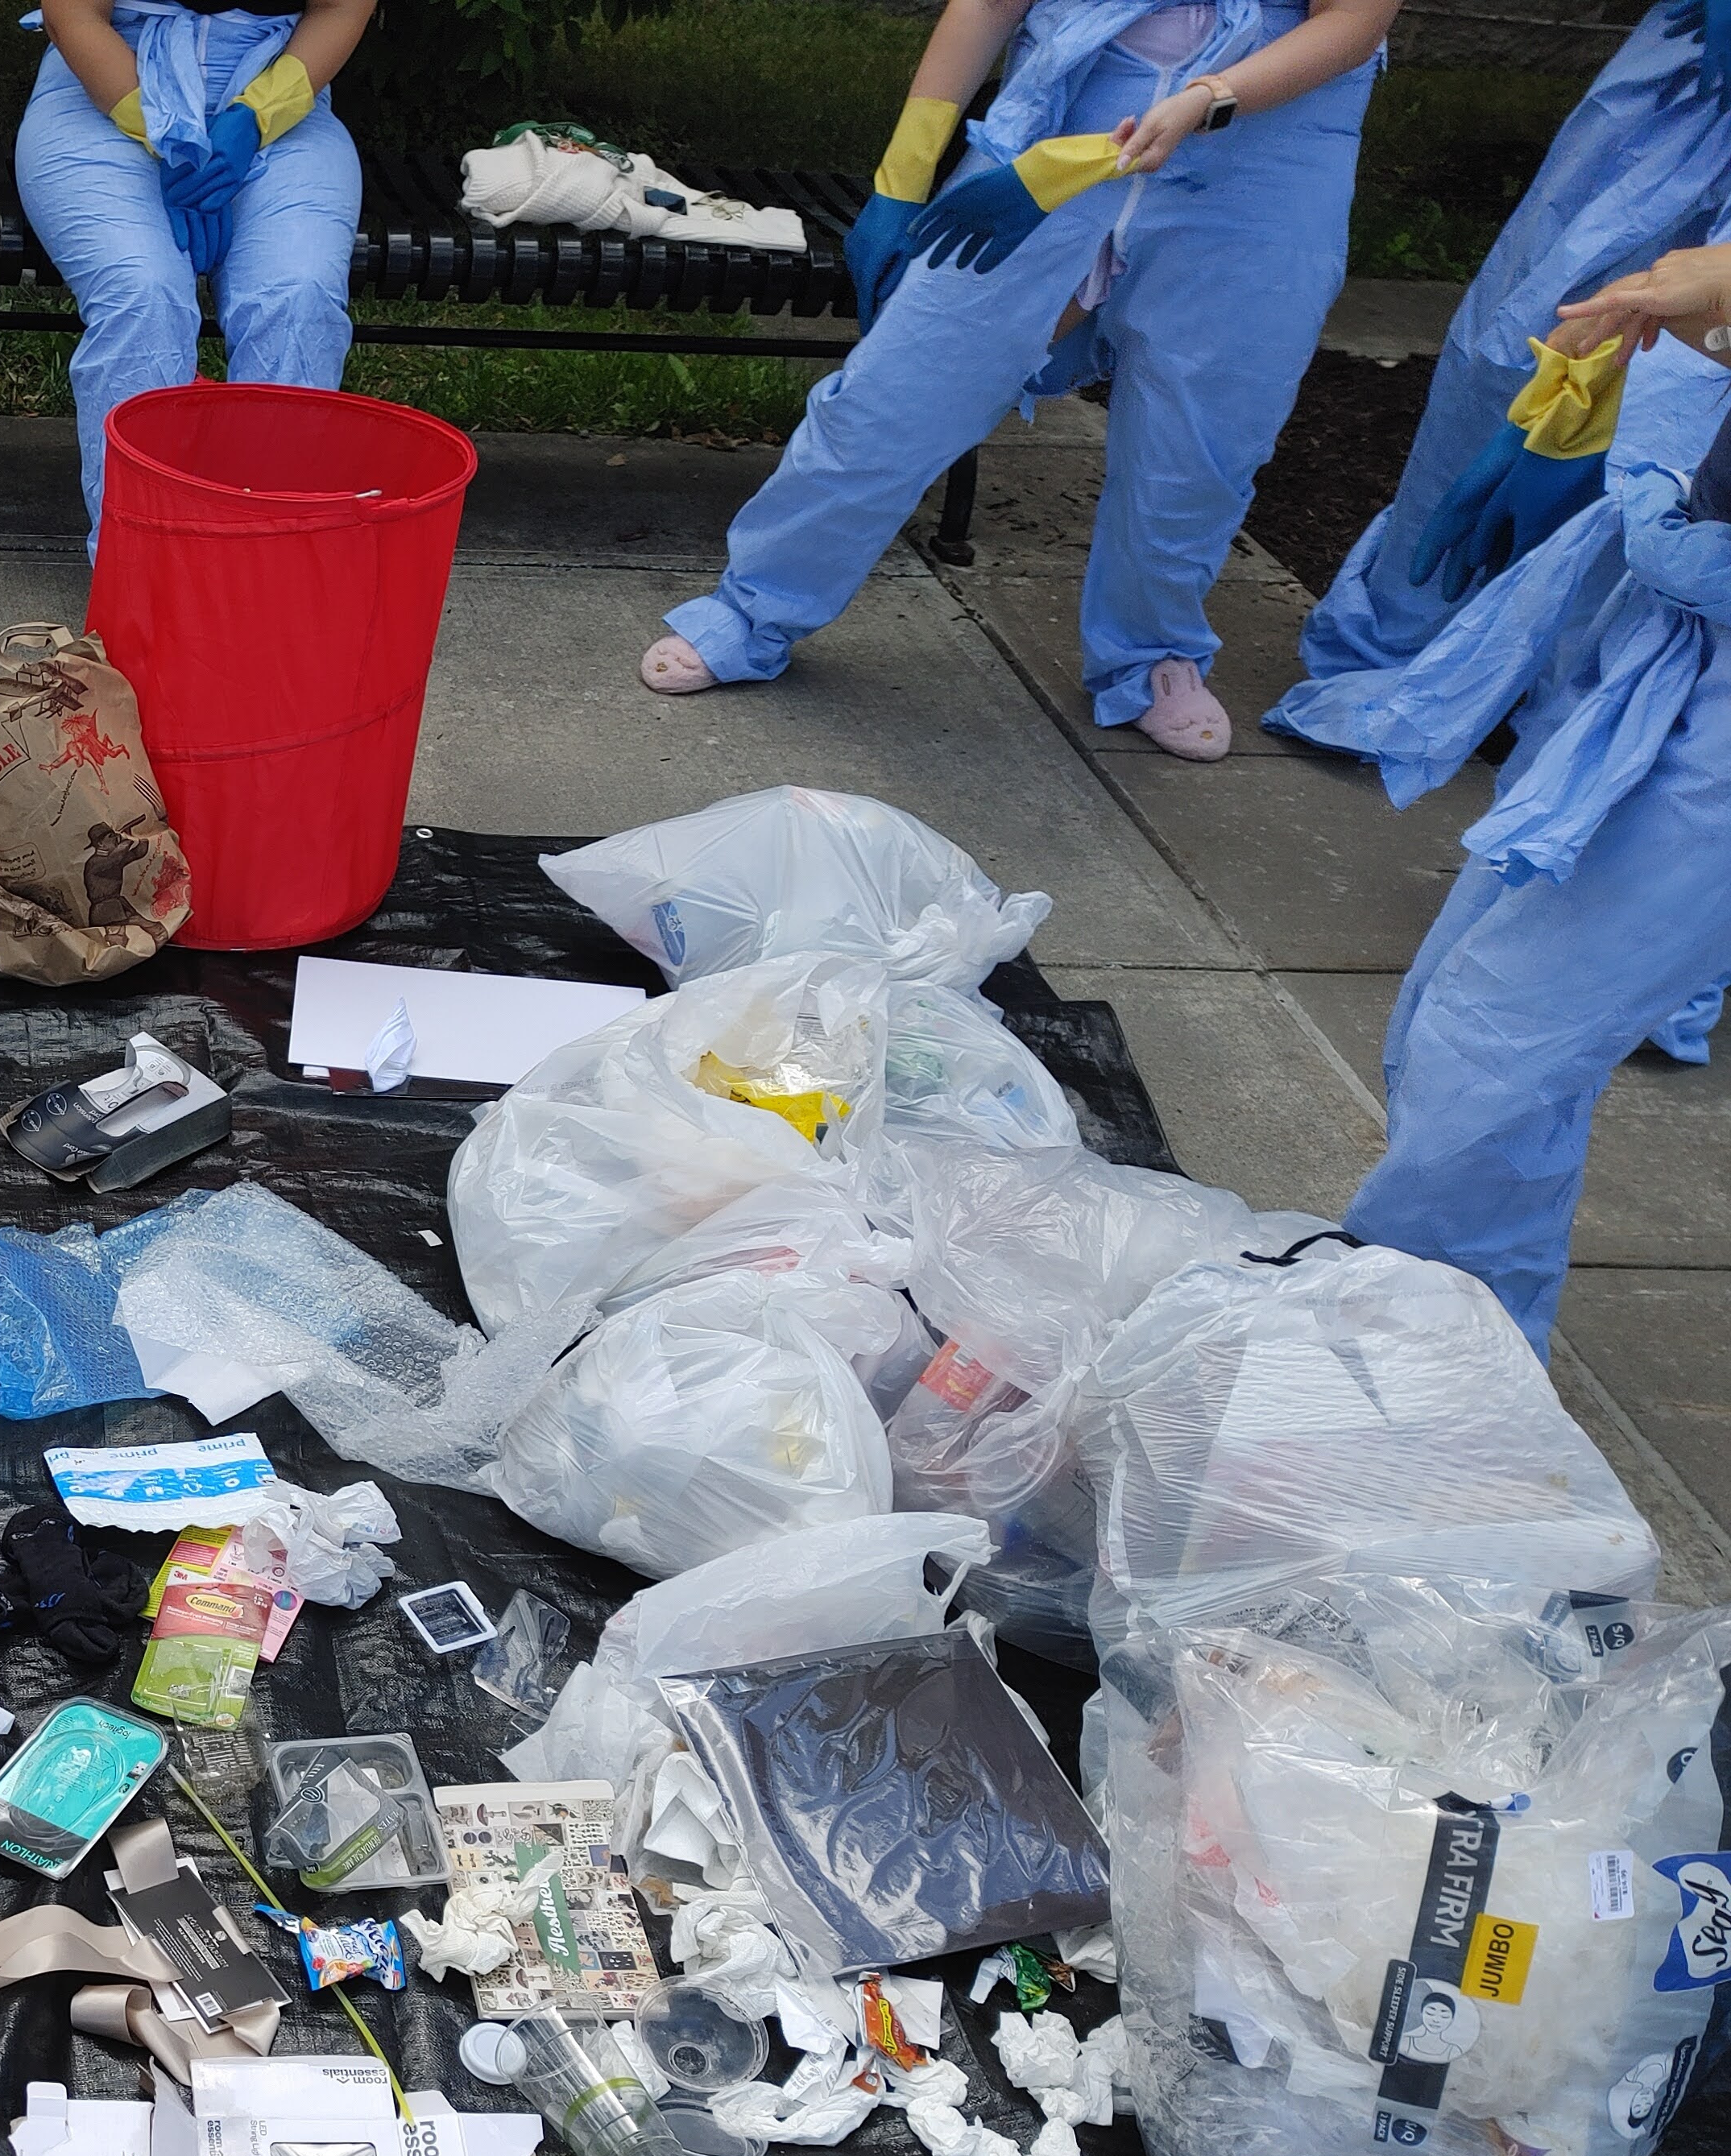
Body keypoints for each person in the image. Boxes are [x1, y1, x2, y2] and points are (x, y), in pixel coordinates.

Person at [642, 0, 1398, 760]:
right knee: (893, 398)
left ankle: (1152, 658)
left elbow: (1352, 23)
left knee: (1197, 449)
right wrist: (903, 175)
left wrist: (1207, 98)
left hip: (1264, 181)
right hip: (1049, 149)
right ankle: (752, 611)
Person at [1337, 271, 1731, 1350]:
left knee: (1496, 1049)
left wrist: (1695, 311)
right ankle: (1466, 1333)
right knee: (1456, 1023)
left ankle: (1420, 1351)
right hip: (1684, 637)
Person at [1269, 1, 1731, 712]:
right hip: (1686, 90)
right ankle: (1417, 646)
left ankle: (1586, 691)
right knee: (1523, 362)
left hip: (1683, 102)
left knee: (1670, 432)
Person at [15, 0, 375, 539]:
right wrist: (164, 131)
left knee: (298, 297)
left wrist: (256, 118)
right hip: (107, 89)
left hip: (284, 93)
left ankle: (265, 556)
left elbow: (342, 9)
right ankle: (141, 569)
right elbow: (75, 14)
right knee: (144, 293)